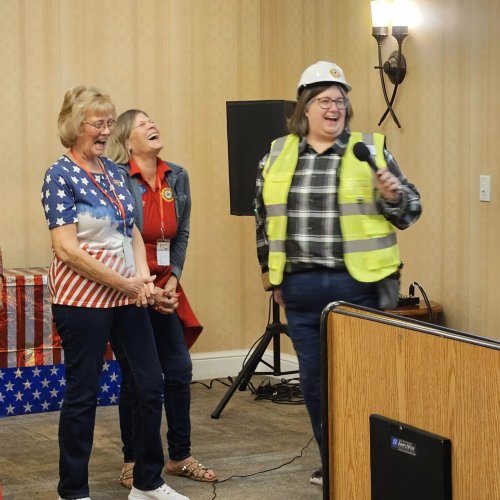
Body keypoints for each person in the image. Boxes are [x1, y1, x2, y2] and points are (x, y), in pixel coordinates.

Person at [255, 61, 422, 487]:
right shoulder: (277, 153)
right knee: (314, 381)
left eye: (341, 101)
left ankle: (370, 462)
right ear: (305, 108)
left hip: (359, 285)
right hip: (302, 287)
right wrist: (271, 278)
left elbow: (411, 211)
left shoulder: (370, 149)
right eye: (325, 100)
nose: (335, 108)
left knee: (362, 376)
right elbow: (263, 220)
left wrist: (392, 196)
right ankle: (335, 462)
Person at [41, 86, 189, 500]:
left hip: (126, 296)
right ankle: (73, 490)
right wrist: (126, 283)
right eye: (99, 123)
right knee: (83, 394)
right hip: (80, 301)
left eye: (110, 123)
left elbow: (133, 232)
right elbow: (66, 248)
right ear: (75, 127)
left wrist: (142, 281)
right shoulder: (60, 174)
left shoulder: (113, 172)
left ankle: (147, 482)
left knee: (148, 383)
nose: (107, 131)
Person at [106, 109, 216, 488]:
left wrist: (174, 282)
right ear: (126, 140)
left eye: (153, 120)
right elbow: (117, 238)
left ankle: (179, 455)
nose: (152, 125)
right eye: (141, 124)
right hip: (131, 288)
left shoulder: (178, 176)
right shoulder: (116, 177)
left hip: (167, 288)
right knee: (138, 379)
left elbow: (181, 233)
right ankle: (132, 459)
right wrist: (144, 288)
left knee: (180, 370)